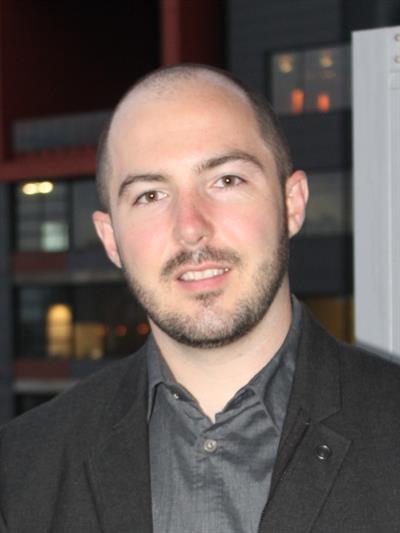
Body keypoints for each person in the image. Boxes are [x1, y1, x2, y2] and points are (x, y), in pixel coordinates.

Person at [1, 64, 400, 533]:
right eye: (150, 195)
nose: (190, 227)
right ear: (110, 240)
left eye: (226, 181)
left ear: (292, 203)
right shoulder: (19, 472)